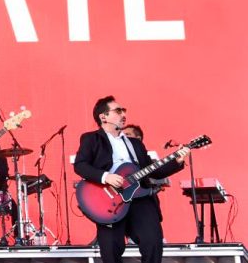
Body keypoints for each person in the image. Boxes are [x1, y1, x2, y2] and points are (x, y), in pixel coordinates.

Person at [74, 96, 188, 263]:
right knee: (111, 250)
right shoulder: (91, 139)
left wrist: (177, 161)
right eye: (118, 111)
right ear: (103, 116)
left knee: (153, 242)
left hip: (139, 197)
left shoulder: (135, 143)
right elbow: (80, 165)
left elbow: (152, 170)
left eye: (124, 111)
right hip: (109, 201)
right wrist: (106, 177)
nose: (123, 114)